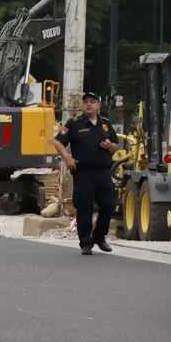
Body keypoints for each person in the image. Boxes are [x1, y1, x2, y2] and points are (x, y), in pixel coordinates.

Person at [54, 90, 119, 255]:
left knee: (109, 205)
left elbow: (116, 146)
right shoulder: (74, 123)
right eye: (86, 102)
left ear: (98, 105)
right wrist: (67, 158)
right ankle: (85, 242)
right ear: (83, 105)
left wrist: (109, 146)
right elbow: (58, 141)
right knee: (84, 207)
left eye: (92, 101)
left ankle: (99, 236)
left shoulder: (105, 124)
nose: (89, 104)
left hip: (103, 171)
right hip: (83, 173)